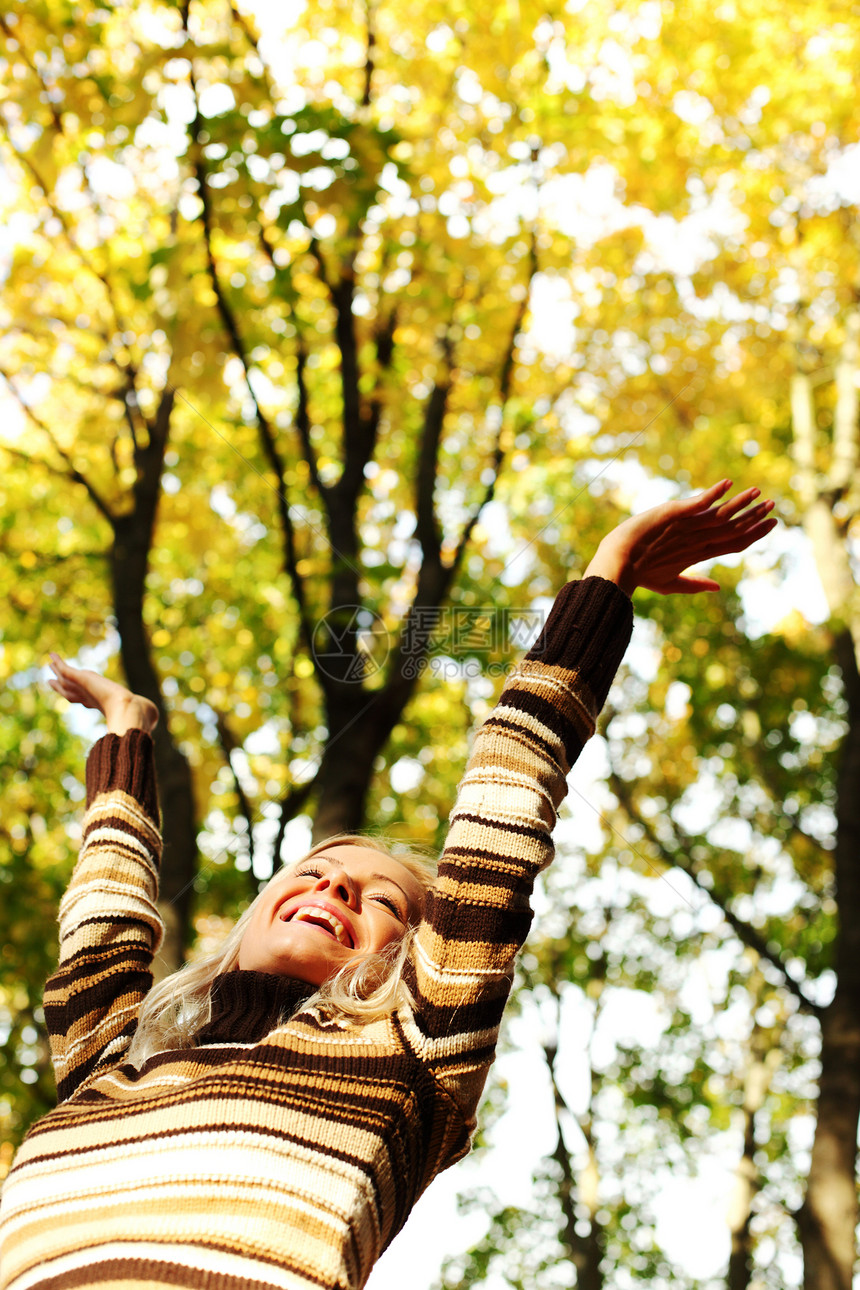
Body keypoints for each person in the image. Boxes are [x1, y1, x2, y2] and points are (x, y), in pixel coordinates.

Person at [0, 481, 776, 1290]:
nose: (334, 889)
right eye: (315, 873)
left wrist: (607, 574)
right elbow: (103, 922)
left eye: (380, 900)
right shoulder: (112, 1064)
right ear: (252, 917)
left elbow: (503, 800)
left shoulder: (412, 1058)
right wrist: (127, 732)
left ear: (414, 958)